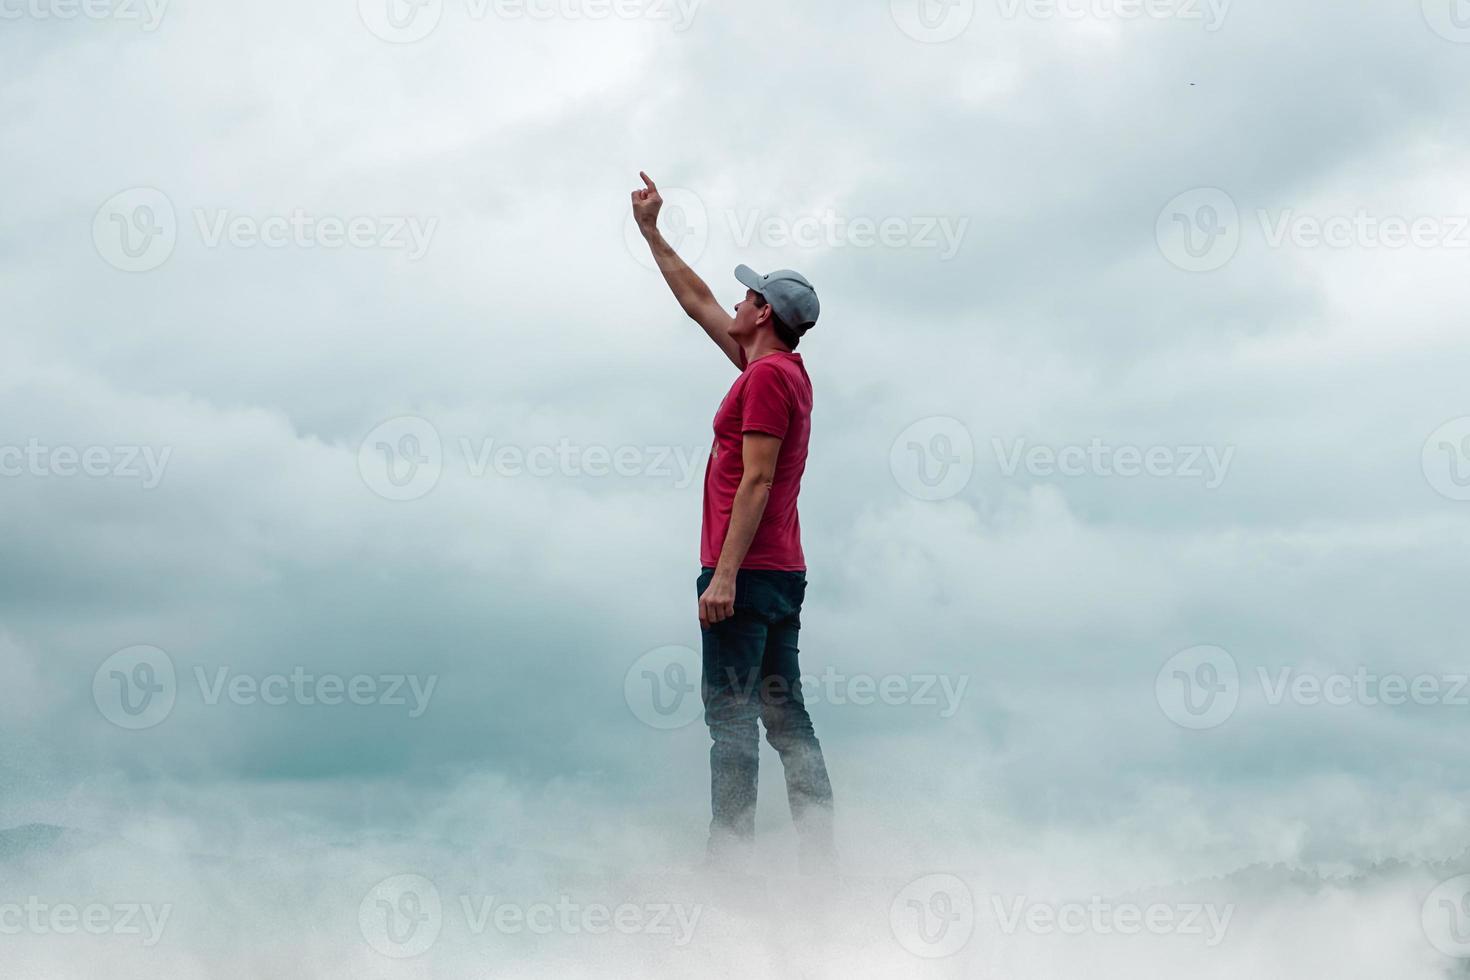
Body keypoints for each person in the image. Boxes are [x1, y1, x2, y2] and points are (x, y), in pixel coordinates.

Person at [631, 172, 837, 874]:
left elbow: (757, 478)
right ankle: (819, 861)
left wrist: (720, 576)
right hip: (779, 573)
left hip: (742, 576)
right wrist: (652, 235)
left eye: (747, 296)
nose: (736, 302)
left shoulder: (764, 381)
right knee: (787, 720)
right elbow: (697, 303)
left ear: (763, 314)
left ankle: (730, 872)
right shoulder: (779, 371)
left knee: (732, 724)